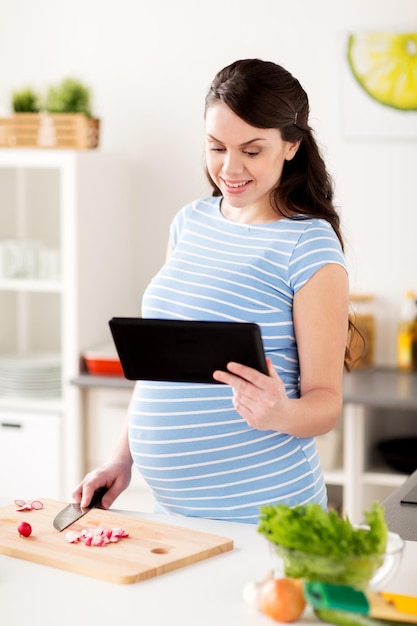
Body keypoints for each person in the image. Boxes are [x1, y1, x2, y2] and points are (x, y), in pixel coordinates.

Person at [73, 58, 351, 524]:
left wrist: (279, 412)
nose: (230, 167)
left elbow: (326, 404)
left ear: (291, 146)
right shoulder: (190, 222)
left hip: (266, 516)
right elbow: (160, 364)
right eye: (216, 146)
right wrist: (121, 458)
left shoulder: (309, 245)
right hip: (175, 513)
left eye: (252, 150)